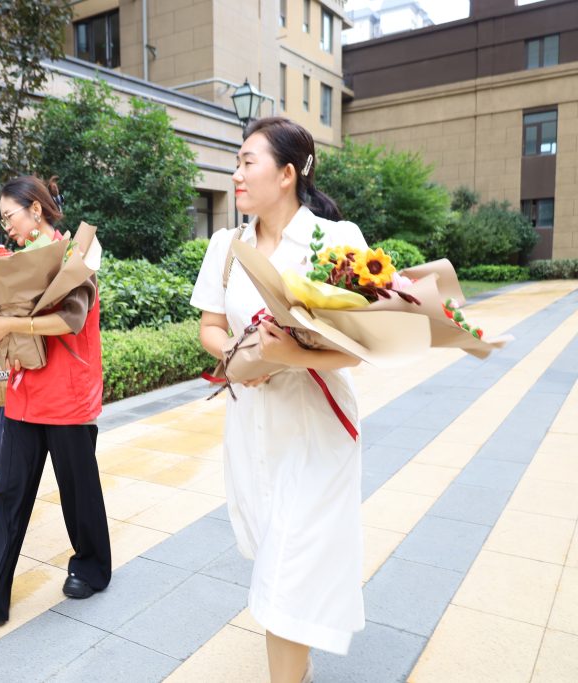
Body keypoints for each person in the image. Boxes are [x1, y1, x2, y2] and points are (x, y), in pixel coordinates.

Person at [191, 117, 367, 683]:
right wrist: (243, 358)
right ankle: (300, 658)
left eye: (247, 162)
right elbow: (210, 328)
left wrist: (287, 358)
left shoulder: (339, 242)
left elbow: (358, 350)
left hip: (317, 430)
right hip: (251, 429)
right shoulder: (227, 245)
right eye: (237, 162)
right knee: (277, 553)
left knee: (284, 574)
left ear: (287, 174)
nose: (236, 173)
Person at [0, 176, 111, 629]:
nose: (7, 228)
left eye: (9, 216)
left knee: (78, 489)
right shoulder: (13, 261)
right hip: (23, 391)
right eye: (1, 220)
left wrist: (9, 325)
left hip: (68, 390)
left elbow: (70, 320)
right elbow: (6, 316)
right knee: (11, 495)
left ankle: (92, 567)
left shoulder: (77, 253)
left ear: (36, 210)